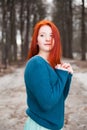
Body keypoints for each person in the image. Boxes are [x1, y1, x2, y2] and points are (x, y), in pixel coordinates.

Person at [24, 20, 73, 130]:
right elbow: (47, 104)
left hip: (52, 126)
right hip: (41, 126)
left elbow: (59, 98)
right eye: (42, 35)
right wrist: (61, 76)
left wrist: (67, 76)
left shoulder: (51, 64)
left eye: (51, 35)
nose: (47, 39)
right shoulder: (36, 63)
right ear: (36, 40)